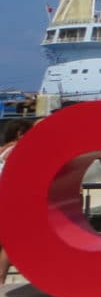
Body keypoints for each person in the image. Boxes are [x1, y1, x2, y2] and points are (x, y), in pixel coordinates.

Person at [0, 118, 36, 285]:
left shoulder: (1, 150)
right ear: (21, 135)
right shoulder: (17, 151)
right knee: (9, 243)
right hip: (7, 202)